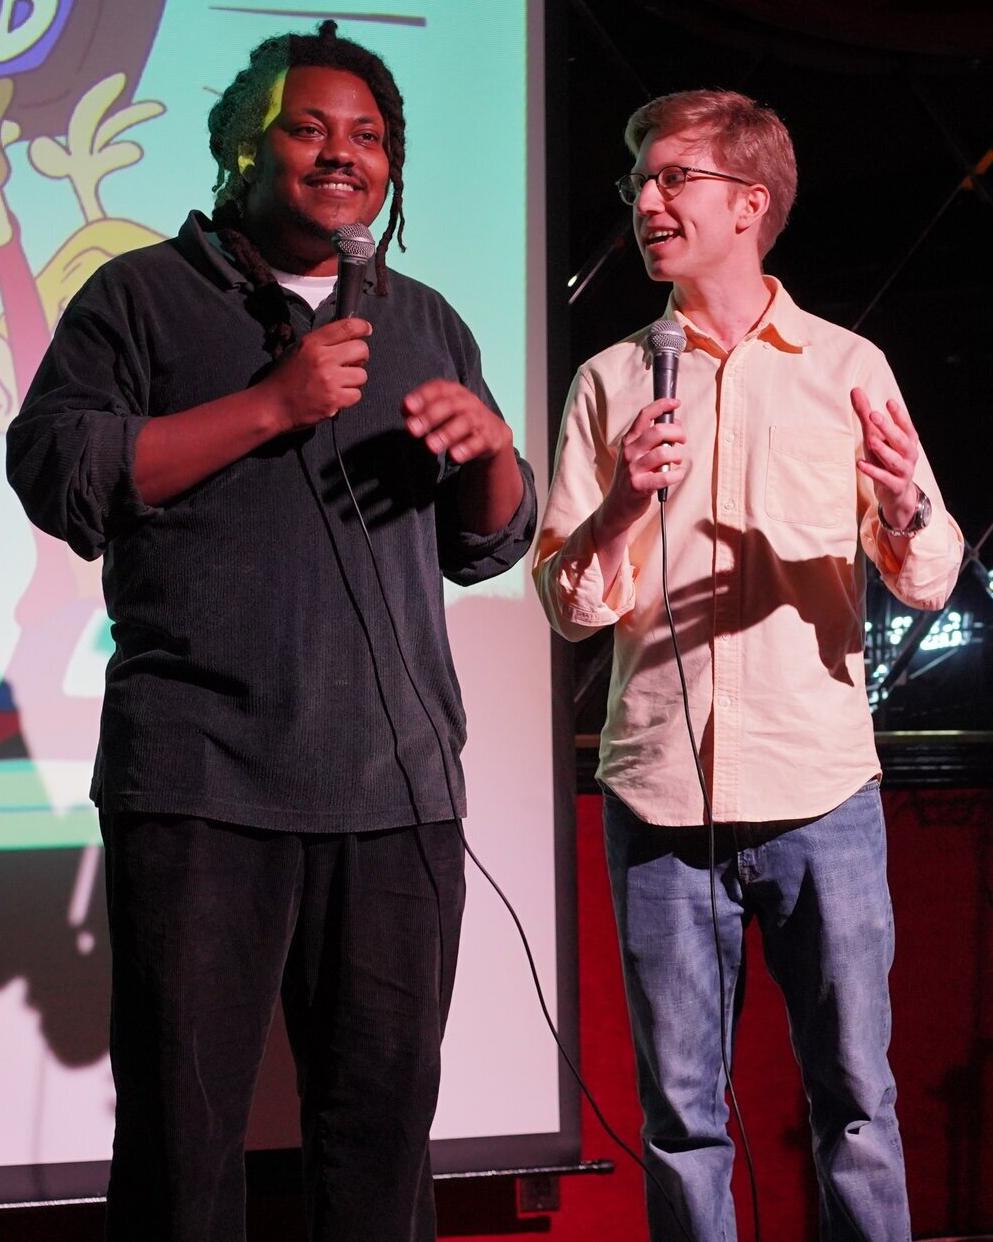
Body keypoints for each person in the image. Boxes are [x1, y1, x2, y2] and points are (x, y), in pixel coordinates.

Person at [6, 20, 535, 1242]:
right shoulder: (138, 296)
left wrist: (496, 455)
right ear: (240, 144)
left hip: (396, 792)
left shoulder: (426, 319)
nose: (342, 154)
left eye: (370, 137)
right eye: (310, 127)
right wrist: (269, 406)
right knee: (186, 1153)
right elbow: (58, 472)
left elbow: (487, 543)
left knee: (383, 1143)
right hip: (202, 782)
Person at [533, 89, 962, 1241]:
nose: (646, 201)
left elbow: (927, 573)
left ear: (749, 203)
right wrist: (622, 505)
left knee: (858, 1105)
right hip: (661, 797)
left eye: (673, 177)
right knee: (681, 1116)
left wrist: (907, 504)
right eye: (639, 182)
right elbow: (567, 606)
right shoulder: (613, 381)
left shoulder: (845, 366)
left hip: (819, 789)